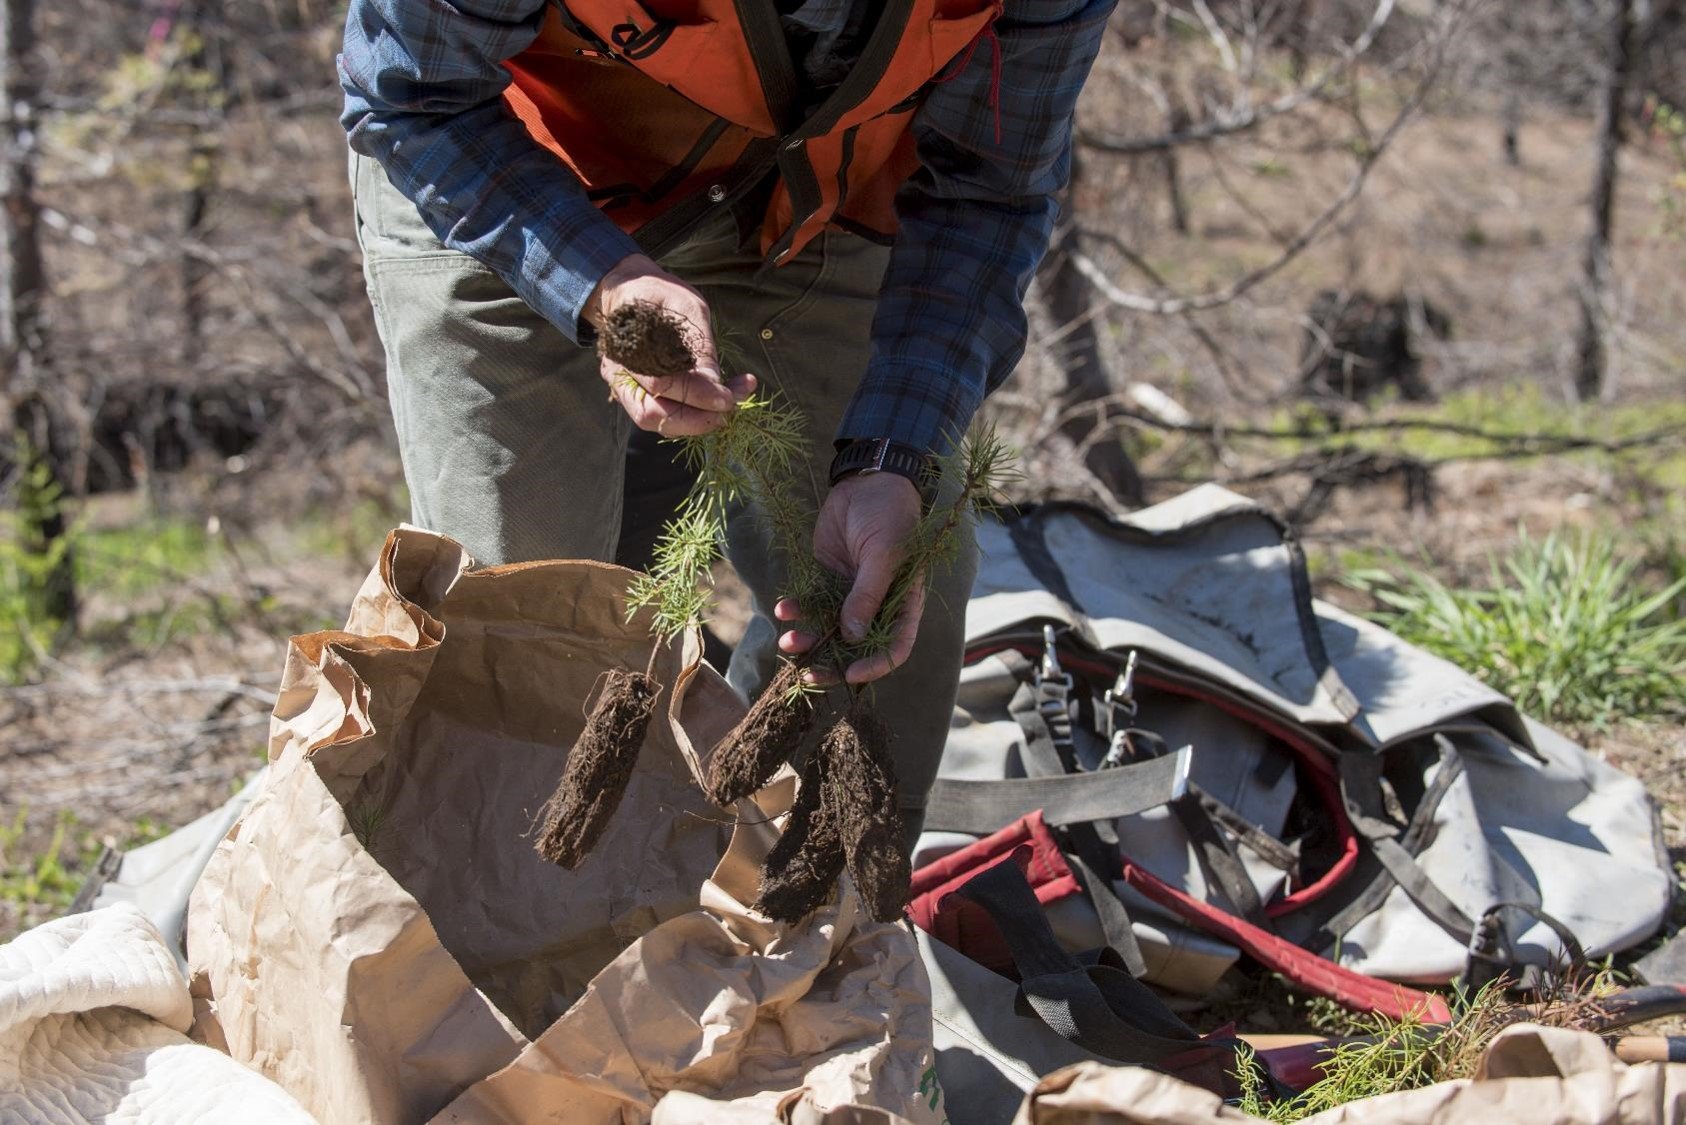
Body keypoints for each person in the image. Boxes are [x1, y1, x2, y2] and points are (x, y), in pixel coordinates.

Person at [338, 0, 1114, 841]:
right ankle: (520, 931)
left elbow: (990, 190)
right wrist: (602, 284)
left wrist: (896, 450)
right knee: (520, 626)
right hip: (497, 171)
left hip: (814, 195)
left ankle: (808, 937)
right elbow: (416, 93)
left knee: (886, 596)